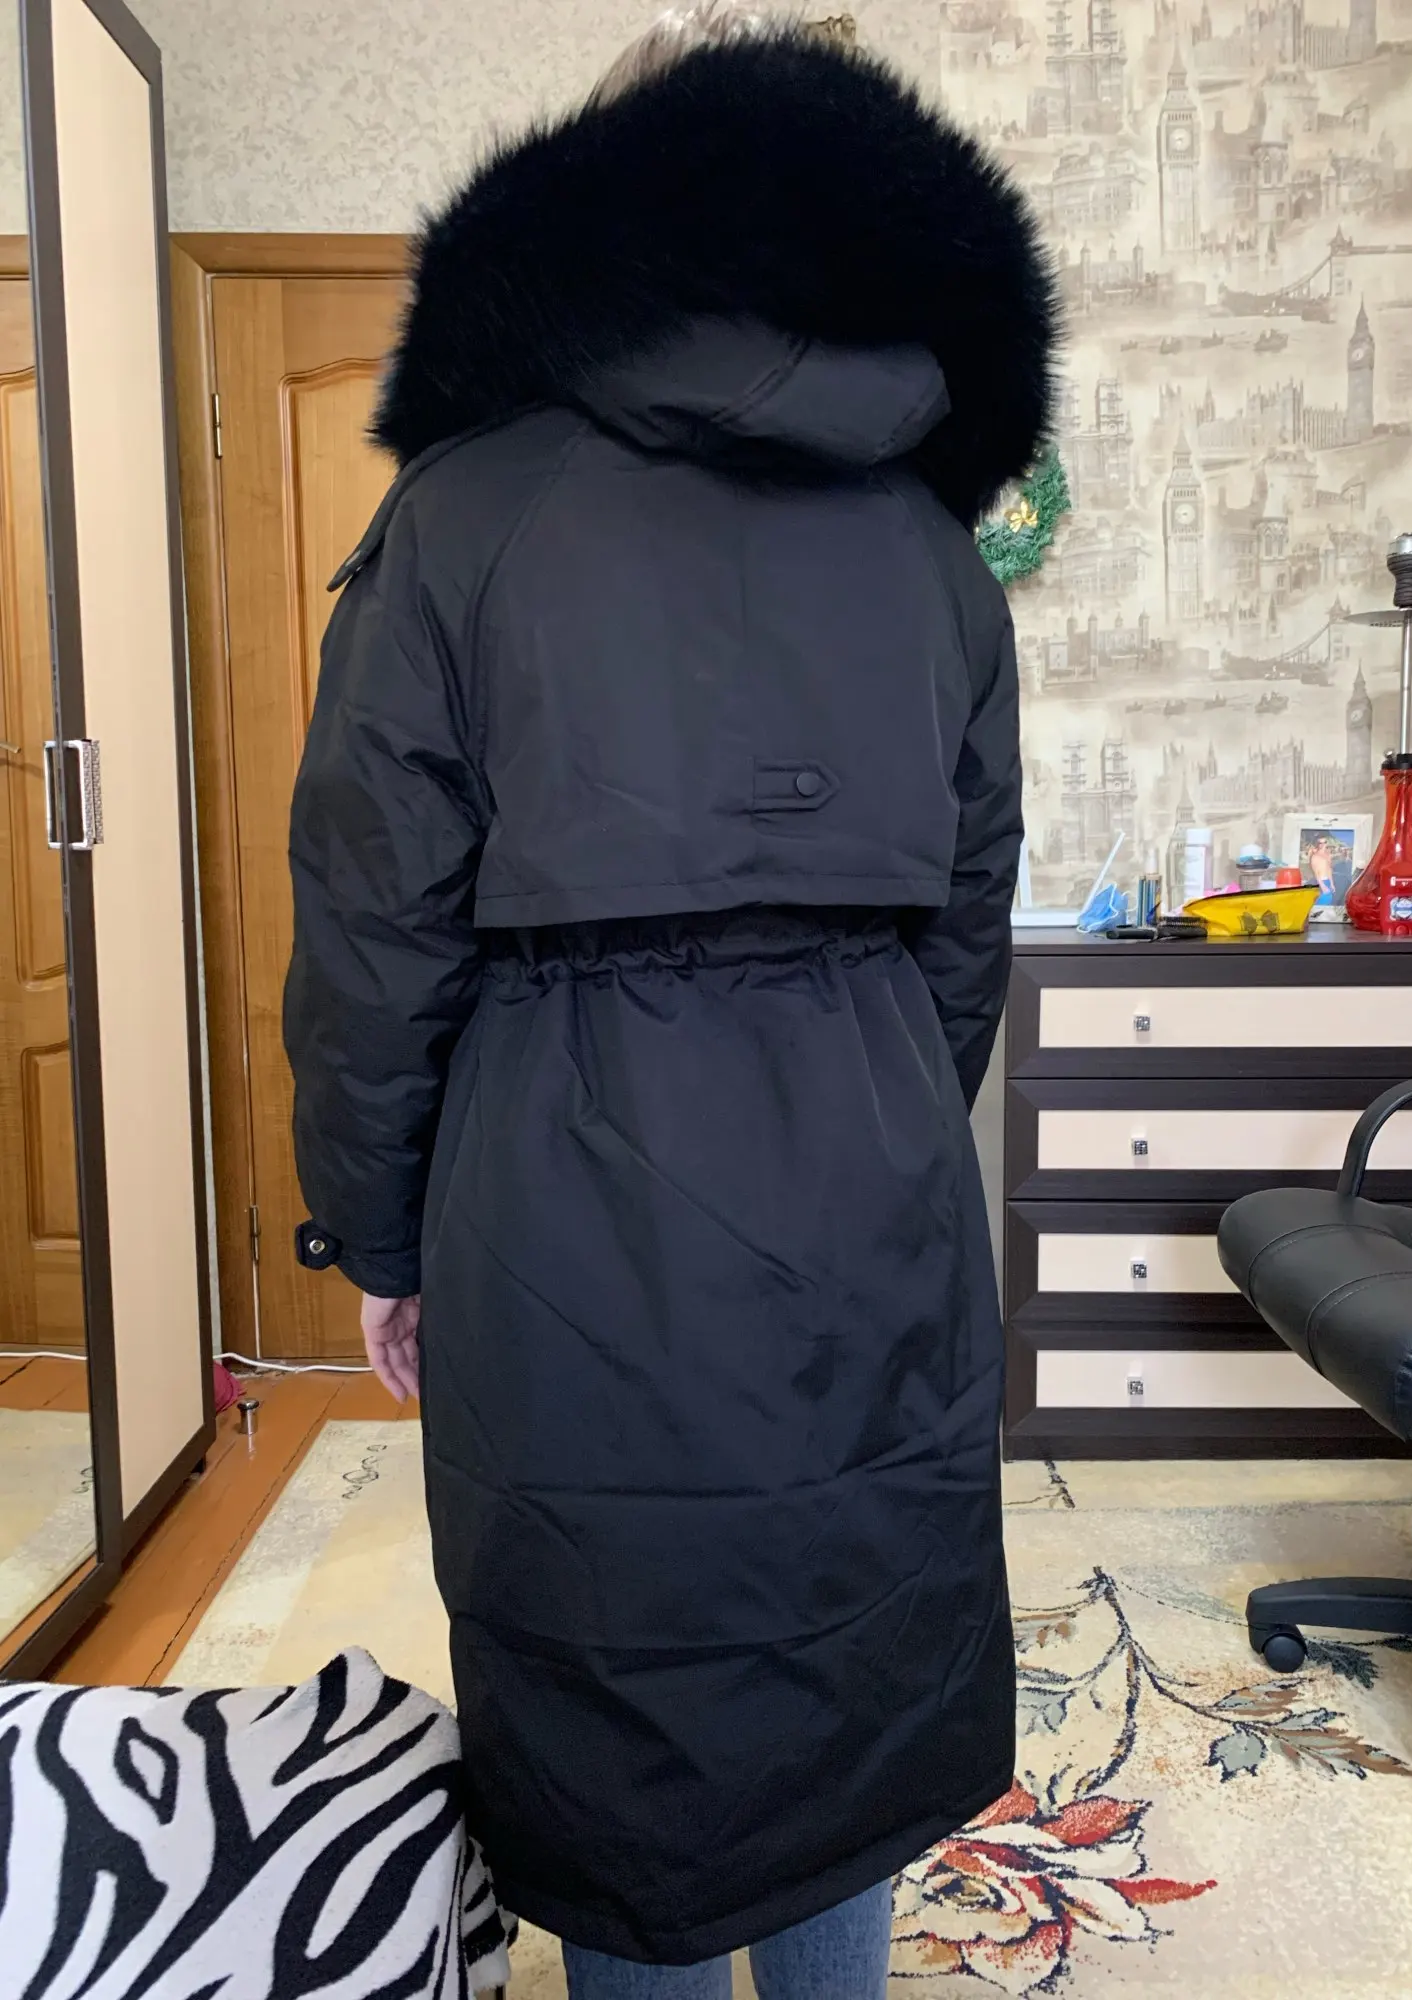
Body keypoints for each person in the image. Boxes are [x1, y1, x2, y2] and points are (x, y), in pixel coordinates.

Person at [283, 7, 1055, 1994]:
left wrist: (383, 1234)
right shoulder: (936, 547)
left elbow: (375, 921)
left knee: (613, 1668)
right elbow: (970, 911)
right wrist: (881, 1116)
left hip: (562, 1184)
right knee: (847, 1639)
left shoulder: (462, 513)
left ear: (595, 206)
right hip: (871, 1169)